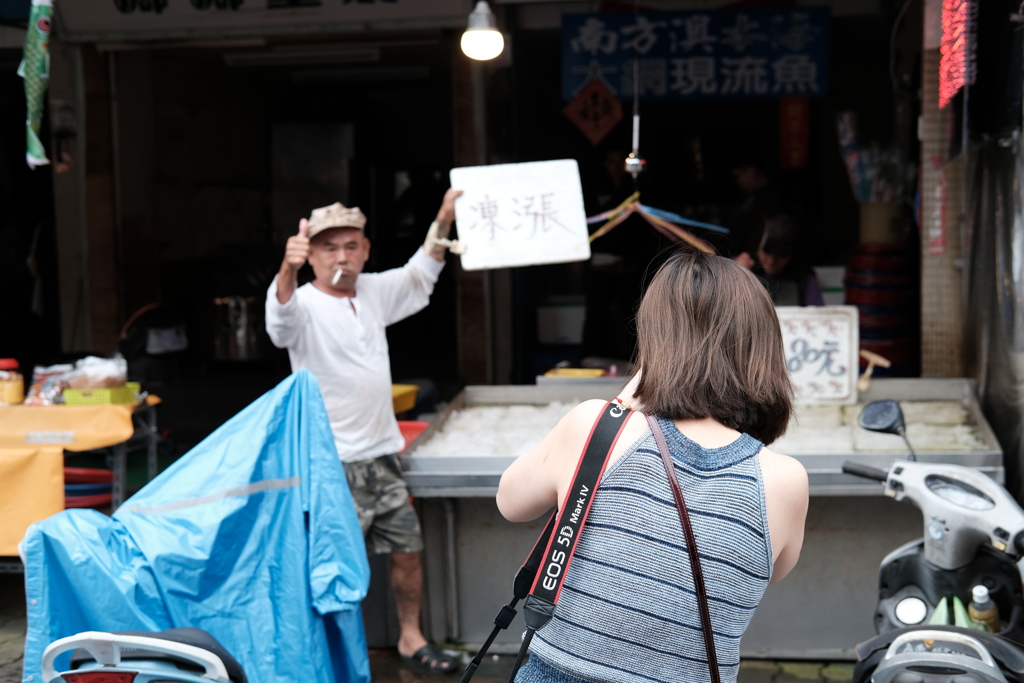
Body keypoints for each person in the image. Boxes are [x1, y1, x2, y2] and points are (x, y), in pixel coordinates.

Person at [497, 250, 809, 683]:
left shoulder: (596, 427)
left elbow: (510, 502)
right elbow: (766, 575)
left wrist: (639, 384)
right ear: (762, 346)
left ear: (654, 336)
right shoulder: (784, 479)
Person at [265, 190, 462, 674]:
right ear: (310, 254)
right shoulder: (303, 302)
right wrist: (286, 271)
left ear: (366, 250)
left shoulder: (372, 292)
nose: (341, 256)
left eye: (351, 246)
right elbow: (279, 323)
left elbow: (422, 272)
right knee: (336, 567)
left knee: (408, 551)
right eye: (329, 247)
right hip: (330, 463)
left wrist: (442, 216)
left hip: (382, 455)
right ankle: (340, 655)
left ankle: (411, 639)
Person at [745, 215, 824, 307]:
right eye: (766, 252)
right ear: (757, 249)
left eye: (780, 255)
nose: (771, 261)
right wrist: (738, 277)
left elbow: (817, 315)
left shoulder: (804, 279)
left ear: (791, 255)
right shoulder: (741, 266)